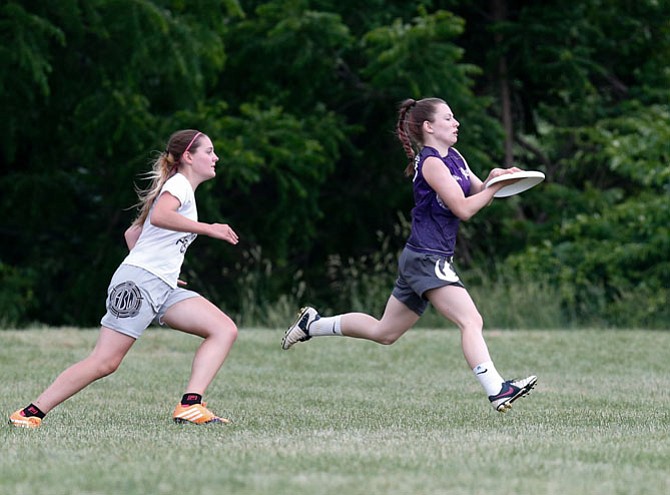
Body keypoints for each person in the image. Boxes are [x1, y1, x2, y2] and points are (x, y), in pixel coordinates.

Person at [282, 98, 537, 412]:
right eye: (448, 117)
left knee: (384, 332)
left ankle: (313, 324)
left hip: (424, 257)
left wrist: (496, 178)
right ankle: (497, 390)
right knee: (471, 320)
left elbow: (477, 191)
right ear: (429, 127)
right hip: (428, 258)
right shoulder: (431, 163)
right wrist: (493, 189)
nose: (456, 122)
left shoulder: (454, 156)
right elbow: (464, 209)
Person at [9, 129, 239, 428]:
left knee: (223, 329)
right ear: (188, 157)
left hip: (159, 284)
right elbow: (159, 218)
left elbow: (133, 233)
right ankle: (29, 414)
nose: (215, 157)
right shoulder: (179, 185)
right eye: (209, 151)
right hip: (141, 284)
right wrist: (208, 228)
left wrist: (160, 268)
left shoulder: (180, 188)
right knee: (105, 362)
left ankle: (190, 406)